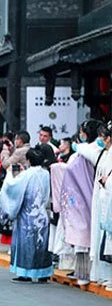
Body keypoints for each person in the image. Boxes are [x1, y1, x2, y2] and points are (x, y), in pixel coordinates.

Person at [0, 147, 53, 283]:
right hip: (41, 212)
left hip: (27, 214)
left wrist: (9, 174)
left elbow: (12, 187)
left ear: (28, 161)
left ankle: (25, 273)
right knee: (41, 244)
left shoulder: (27, 174)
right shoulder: (46, 173)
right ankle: (43, 273)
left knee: (26, 244)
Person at [61, 120, 103, 285]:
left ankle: (89, 273)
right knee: (84, 236)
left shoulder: (89, 150)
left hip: (89, 197)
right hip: (82, 197)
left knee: (88, 236)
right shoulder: (88, 151)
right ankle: (84, 272)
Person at [88, 122, 112, 289]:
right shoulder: (105, 153)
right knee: (104, 240)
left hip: (107, 197)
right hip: (103, 200)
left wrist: (107, 181)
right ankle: (103, 275)